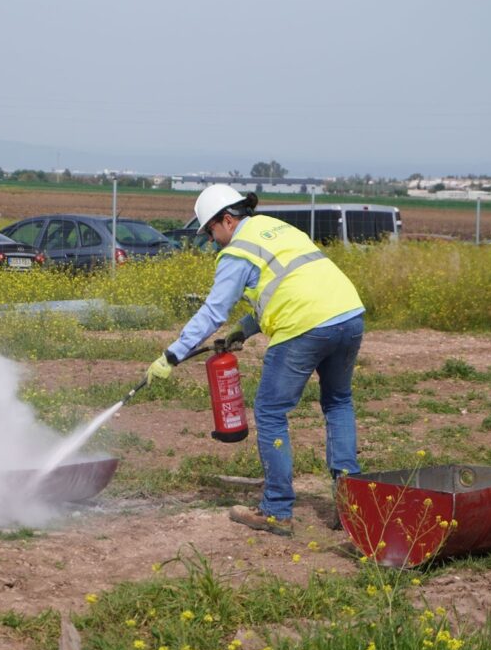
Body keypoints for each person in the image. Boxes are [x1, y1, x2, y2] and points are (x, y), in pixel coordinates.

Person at [145, 185, 365, 536]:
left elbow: (213, 311)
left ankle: (276, 510)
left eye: (211, 232)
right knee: (338, 403)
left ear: (227, 220)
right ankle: (352, 507)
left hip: (304, 325)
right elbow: (289, 282)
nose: (212, 241)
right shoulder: (274, 228)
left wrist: (173, 354)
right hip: (349, 315)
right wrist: (244, 331)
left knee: (270, 411)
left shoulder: (238, 252)